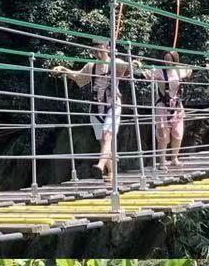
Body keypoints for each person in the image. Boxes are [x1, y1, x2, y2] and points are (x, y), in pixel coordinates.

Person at [52, 43, 134, 182]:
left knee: (107, 137)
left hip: (112, 104)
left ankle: (100, 166)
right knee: (104, 141)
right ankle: (111, 173)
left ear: (107, 49)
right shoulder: (91, 66)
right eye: (94, 49)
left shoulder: (115, 62)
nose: (97, 51)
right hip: (96, 107)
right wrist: (64, 69)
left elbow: (128, 69)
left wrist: (131, 63)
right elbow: (78, 77)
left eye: (99, 48)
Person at [147, 50, 189, 169]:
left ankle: (174, 158)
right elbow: (146, 74)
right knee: (163, 134)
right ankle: (162, 161)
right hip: (163, 106)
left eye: (170, 59)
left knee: (177, 133)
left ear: (174, 60)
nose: (167, 62)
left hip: (176, 105)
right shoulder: (158, 71)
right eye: (165, 59)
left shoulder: (179, 71)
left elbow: (190, 70)